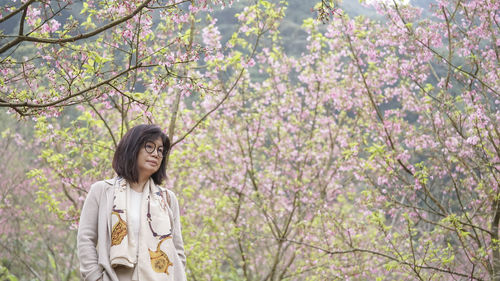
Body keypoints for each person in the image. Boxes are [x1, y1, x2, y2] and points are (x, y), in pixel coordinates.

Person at [77, 124, 186, 281]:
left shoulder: (167, 199)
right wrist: (95, 278)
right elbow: (85, 239)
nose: (156, 154)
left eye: (160, 150)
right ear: (132, 148)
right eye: (149, 147)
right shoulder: (102, 191)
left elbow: (178, 250)